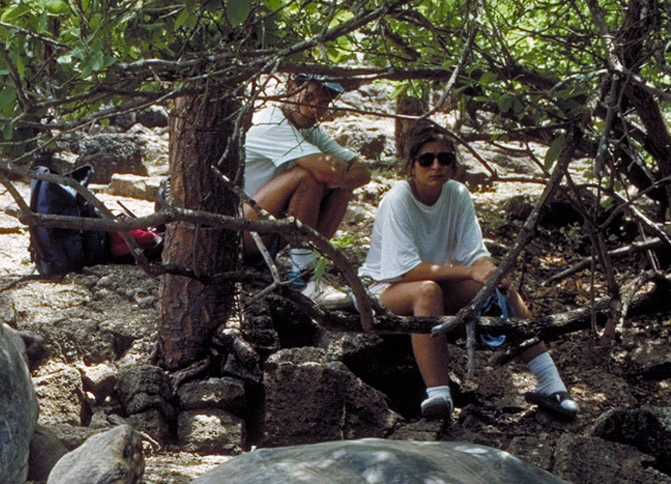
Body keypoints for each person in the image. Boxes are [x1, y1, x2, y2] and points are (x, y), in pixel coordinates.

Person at [359, 121, 579, 421]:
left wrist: (490, 272)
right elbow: (405, 270)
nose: (436, 166)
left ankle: (551, 384)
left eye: (445, 158)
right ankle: (439, 396)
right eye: (427, 159)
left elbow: (475, 253)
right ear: (411, 165)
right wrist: (469, 272)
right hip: (384, 291)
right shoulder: (399, 198)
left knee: (502, 288)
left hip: (434, 285)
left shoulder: (457, 194)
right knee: (427, 290)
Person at [242, 75, 371, 301]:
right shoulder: (270, 122)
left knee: (341, 187)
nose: (313, 109)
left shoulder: (308, 129)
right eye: (309, 97)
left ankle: (310, 268)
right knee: (307, 176)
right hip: (239, 233)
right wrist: (334, 173)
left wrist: (336, 177)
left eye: (323, 103)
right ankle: (303, 277)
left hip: (268, 232)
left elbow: (363, 172)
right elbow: (327, 171)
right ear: (291, 89)